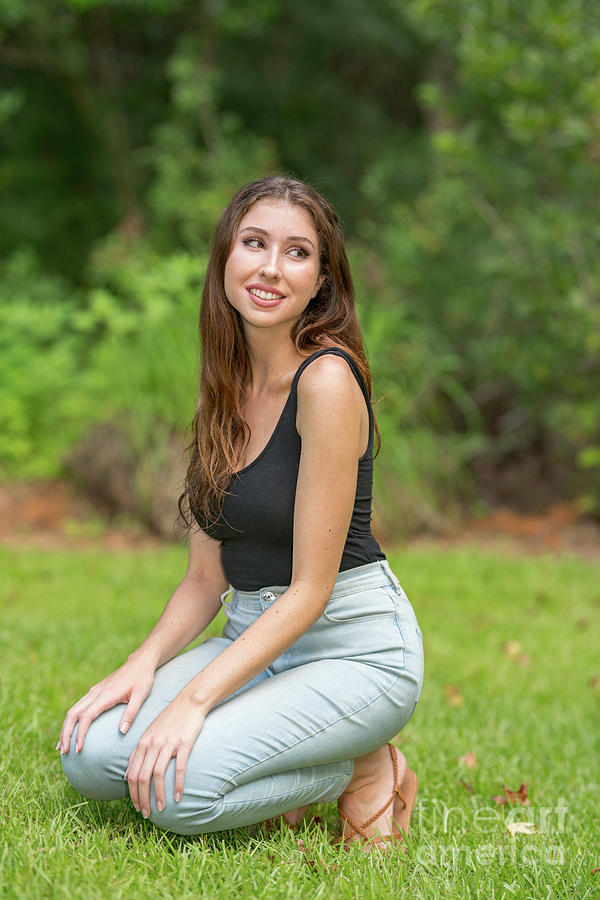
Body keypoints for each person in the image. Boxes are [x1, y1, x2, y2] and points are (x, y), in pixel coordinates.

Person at [58, 174, 424, 851]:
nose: (270, 267)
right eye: (254, 243)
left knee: (177, 792)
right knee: (89, 755)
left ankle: (363, 765)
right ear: (227, 255)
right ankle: (306, 749)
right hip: (253, 639)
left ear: (320, 280)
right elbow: (205, 580)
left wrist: (194, 701)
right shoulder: (221, 390)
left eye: (296, 252)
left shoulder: (327, 382)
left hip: (353, 649)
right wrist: (142, 664)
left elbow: (311, 591)